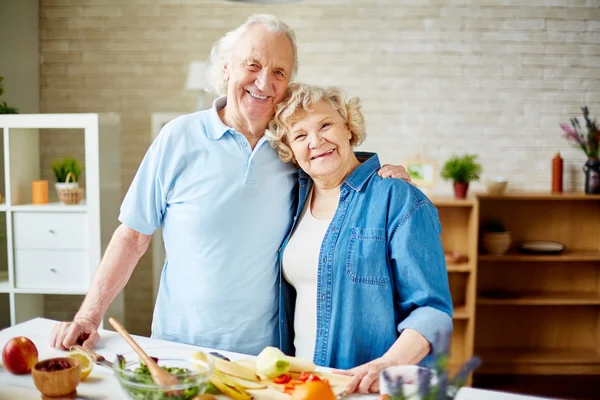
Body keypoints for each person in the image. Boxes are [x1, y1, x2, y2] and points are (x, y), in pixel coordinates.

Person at [49, 14, 411, 355]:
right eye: (252, 65)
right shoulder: (178, 138)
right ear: (226, 67)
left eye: (278, 72)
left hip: (267, 356)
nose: (263, 82)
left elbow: (335, 166)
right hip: (179, 348)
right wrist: (88, 316)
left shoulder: (291, 149)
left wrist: (384, 178)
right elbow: (132, 237)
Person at [267, 83, 453, 394]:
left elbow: (432, 311)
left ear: (349, 128)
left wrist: (387, 365)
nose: (316, 141)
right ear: (289, 148)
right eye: (300, 135)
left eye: (325, 125)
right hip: (302, 387)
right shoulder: (292, 198)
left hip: (367, 387)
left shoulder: (397, 197)